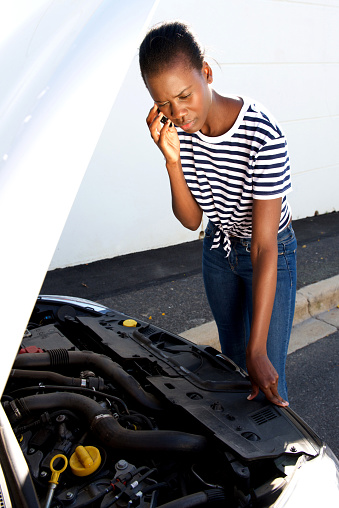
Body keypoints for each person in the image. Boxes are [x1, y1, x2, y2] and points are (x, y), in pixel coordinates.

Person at [139, 21, 297, 407]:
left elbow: (264, 247)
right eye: (164, 104)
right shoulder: (182, 135)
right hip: (218, 249)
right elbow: (192, 220)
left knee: (265, 372)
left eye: (184, 95)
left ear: (206, 73)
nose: (178, 113)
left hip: (268, 251)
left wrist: (257, 349)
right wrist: (173, 162)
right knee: (233, 369)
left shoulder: (263, 135)